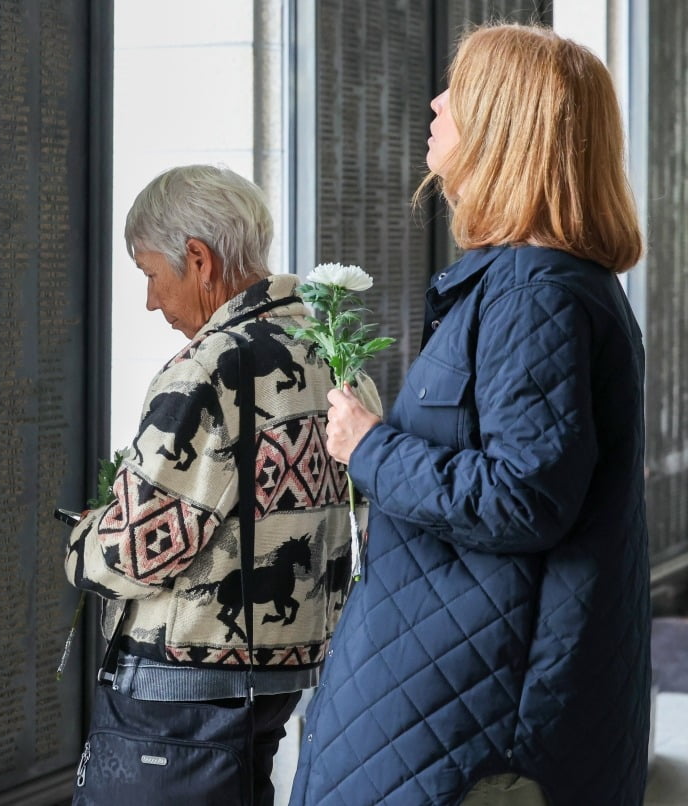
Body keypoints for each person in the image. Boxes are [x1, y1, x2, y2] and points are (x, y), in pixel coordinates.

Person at [289, 23, 649, 806]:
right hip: (461, 697)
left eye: (458, 90)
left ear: (503, 124)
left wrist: (369, 447)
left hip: (481, 719)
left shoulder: (536, 292)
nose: (435, 101)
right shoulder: (541, 284)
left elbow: (525, 497)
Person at [64, 164, 380, 805]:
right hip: (281, 682)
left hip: (179, 699)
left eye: (152, 275)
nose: (152, 301)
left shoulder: (210, 369)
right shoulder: (332, 356)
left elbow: (135, 551)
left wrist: (82, 540)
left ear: (199, 260)